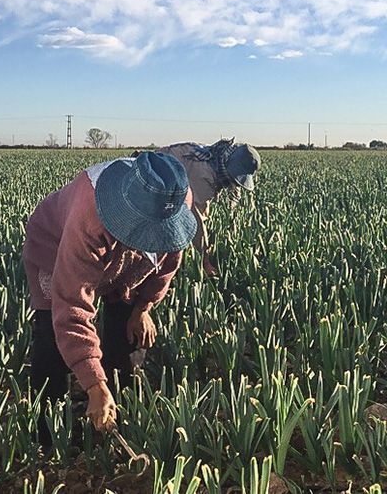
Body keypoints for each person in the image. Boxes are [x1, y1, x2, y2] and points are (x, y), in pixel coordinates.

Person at [22, 152, 196, 438]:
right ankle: (50, 433)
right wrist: (93, 383)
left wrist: (143, 307)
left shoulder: (174, 199)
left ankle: (118, 410)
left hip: (123, 263)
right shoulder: (88, 215)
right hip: (55, 247)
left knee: (127, 329)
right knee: (52, 336)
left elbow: (167, 264)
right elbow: (71, 306)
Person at [138, 138, 260, 276]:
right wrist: (205, 259)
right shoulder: (205, 174)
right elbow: (194, 217)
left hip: (149, 165)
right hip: (147, 181)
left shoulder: (211, 155)